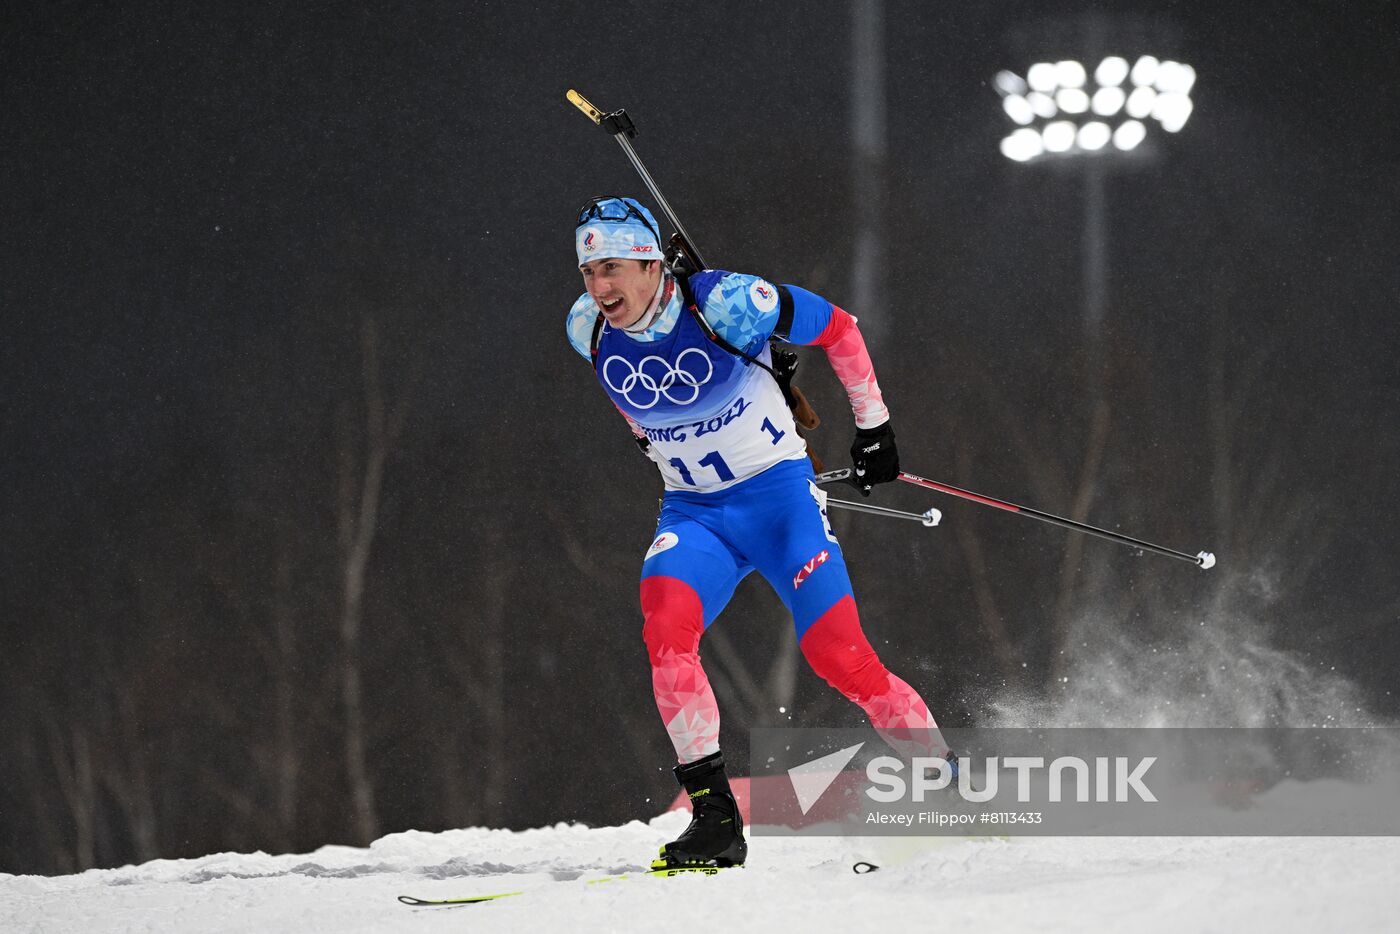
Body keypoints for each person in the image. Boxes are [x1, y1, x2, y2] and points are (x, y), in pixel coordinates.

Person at [565, 196, 947, 870]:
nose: (601, 287)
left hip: (779, 509)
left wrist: (874, 429)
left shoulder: (729, 303)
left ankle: (948, 785)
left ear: (654, 263)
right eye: (590, 271)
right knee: (665, 633)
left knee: (843, 661)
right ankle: (715, 819)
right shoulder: (586, 329)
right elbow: (639, 410)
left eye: (614, 267)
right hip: (694, 515)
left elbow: (841, 329)